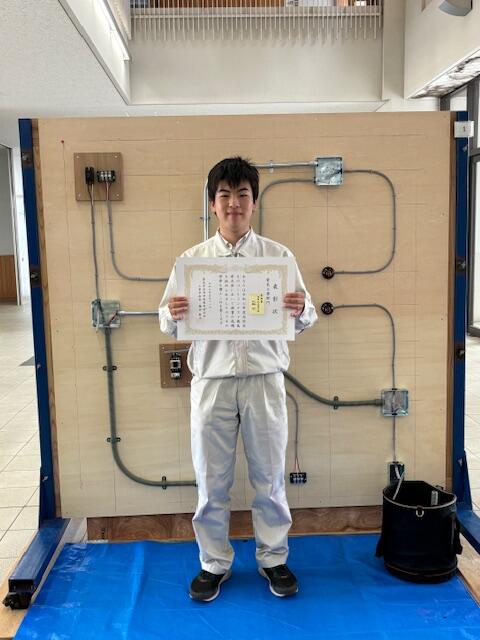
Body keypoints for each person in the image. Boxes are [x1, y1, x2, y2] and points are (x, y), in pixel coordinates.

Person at [159, 156, 317, 602]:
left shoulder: (278, 257)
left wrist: (299, 307)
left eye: (242, 195)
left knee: (269, 477)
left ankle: (273, 558)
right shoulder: (191, 262)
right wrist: (172, 312)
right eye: (224, 195)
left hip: (264, 379)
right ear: (213, 204)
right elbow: (166, 321)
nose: (233, 204)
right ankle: (214, 563)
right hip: (211, 382)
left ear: (254, 202)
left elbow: (306, 317)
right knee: (211, 481)